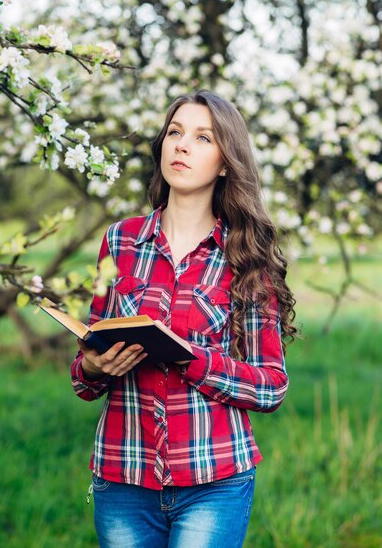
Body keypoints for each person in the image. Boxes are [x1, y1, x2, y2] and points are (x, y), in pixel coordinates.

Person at [71, 89, 297, 548]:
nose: (182, 145)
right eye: (175, 133)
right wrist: (92, 367)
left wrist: (189, 357)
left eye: (202, 137)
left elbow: (271, 385)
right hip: (123, 475)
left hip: (214, 480)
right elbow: (86, 367)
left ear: (226, 161)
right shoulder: (120, 242)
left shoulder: (247, 257)